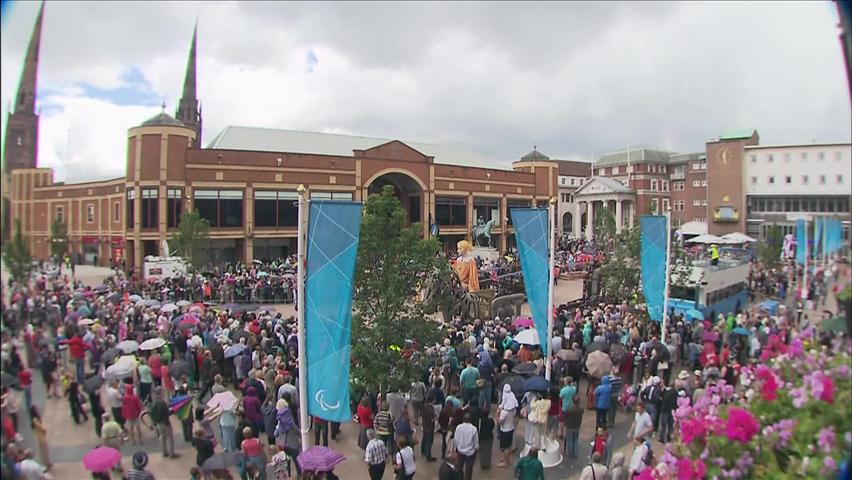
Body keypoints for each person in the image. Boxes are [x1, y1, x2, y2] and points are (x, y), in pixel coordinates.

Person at [149, 387, 180, 459]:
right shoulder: (162, 402)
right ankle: (172, 453)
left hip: (158, 423)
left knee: (162, 437)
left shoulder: (154, 402)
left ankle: (164, 452)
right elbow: (167, 413)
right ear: (161, 393)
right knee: (170, 438)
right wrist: (172, 410)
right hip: (165, 422)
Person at [496, 384, 517, 468]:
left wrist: (497, 415)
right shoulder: (513, 409)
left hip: (505, 430)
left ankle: (506, 462)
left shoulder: (505, 412)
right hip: (511, 427)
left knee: (506, 447)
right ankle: (505, 458)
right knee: (507, 446)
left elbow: (500, 422)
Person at [453, 413, 479, 480]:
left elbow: (455, 439)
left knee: (459, 467)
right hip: (470, 452)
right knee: (469, 469)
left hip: (460, 451)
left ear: (463, 419)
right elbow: (475, 442)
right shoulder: (474, 429)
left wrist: (457, 447)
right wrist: (476, 448)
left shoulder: (458, 427)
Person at [420, 392, 436, 462]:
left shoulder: (424, 407)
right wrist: (435, 418)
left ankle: (423, 451)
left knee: (424, 439)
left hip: (425, 426)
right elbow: (430, 420)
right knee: (429, 442)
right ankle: (428, 456)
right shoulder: (430, 410)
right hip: (429, 428)